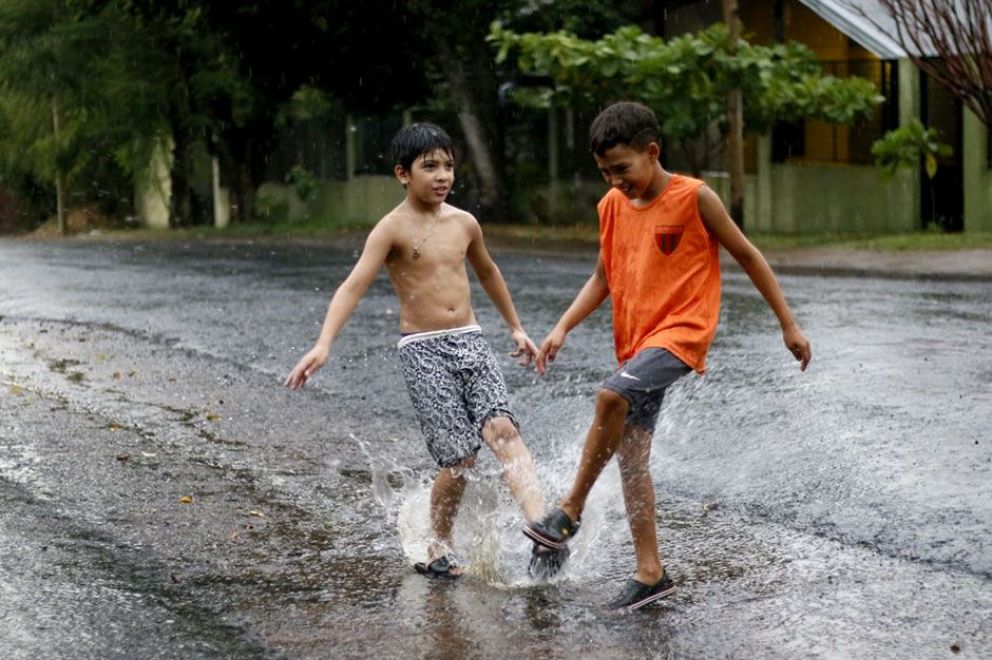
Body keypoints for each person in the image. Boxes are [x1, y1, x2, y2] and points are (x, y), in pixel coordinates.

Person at [523, 102, 812, 610]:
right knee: (632, 459)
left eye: (623, 169)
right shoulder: (611, 207)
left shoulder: (694, 197)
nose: (615, 181)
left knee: (612, 395)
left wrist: (787, 322)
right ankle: (651, 572)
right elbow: (602, 278)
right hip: (636, 343)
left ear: (652, 152)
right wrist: (563, 326)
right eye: (606, 172)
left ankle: (569, 508)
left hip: (681, 334)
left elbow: (748, 254)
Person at [285, 122, 566, 580]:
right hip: (423, 350)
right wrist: (323, 343)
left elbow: (490, 274)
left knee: (503, 430)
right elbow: (353, 286)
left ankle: (544, 529)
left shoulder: (464, 223)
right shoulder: (391, 230)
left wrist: (516, 328)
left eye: (449, 166)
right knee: (459, 458)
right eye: (429, 166)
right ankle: (438, 542)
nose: (442, 176)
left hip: (471, 340)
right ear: (402, 173)